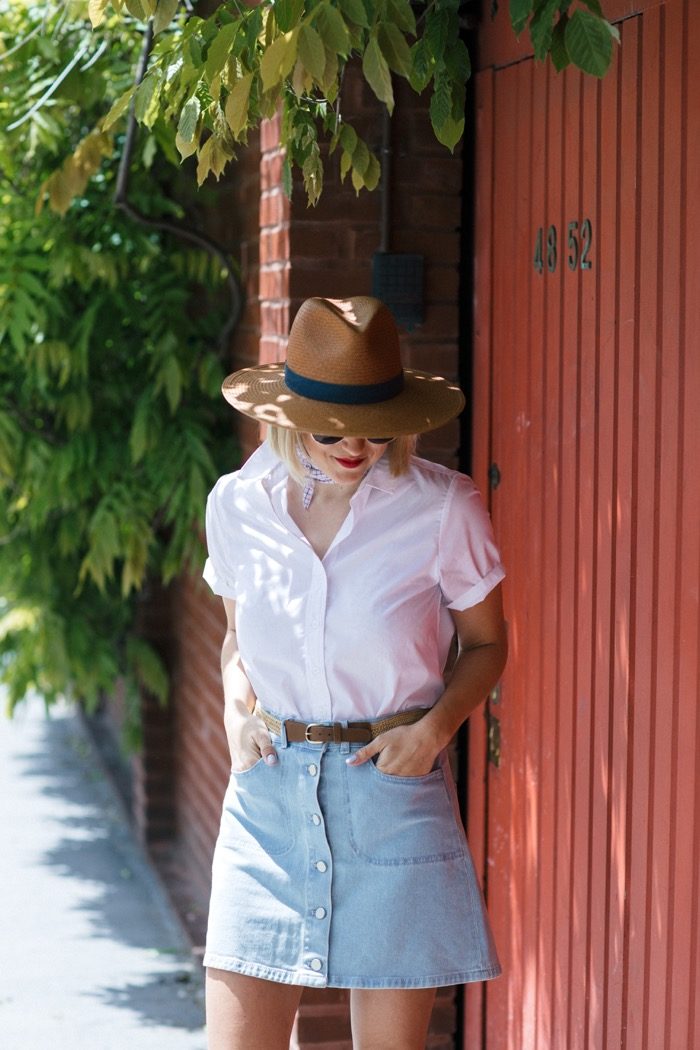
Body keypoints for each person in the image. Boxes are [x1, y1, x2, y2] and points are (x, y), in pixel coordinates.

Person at [202, 296, 507, 1050]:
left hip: (390, 789)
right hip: (267, 797)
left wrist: (436, 730)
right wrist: (236, 717)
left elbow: (488, 646)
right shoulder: (238, 505)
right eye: (336, 428)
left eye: (379, 427)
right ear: (292, 410)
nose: (359, 446)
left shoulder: (443, 508)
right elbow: (236, 644)